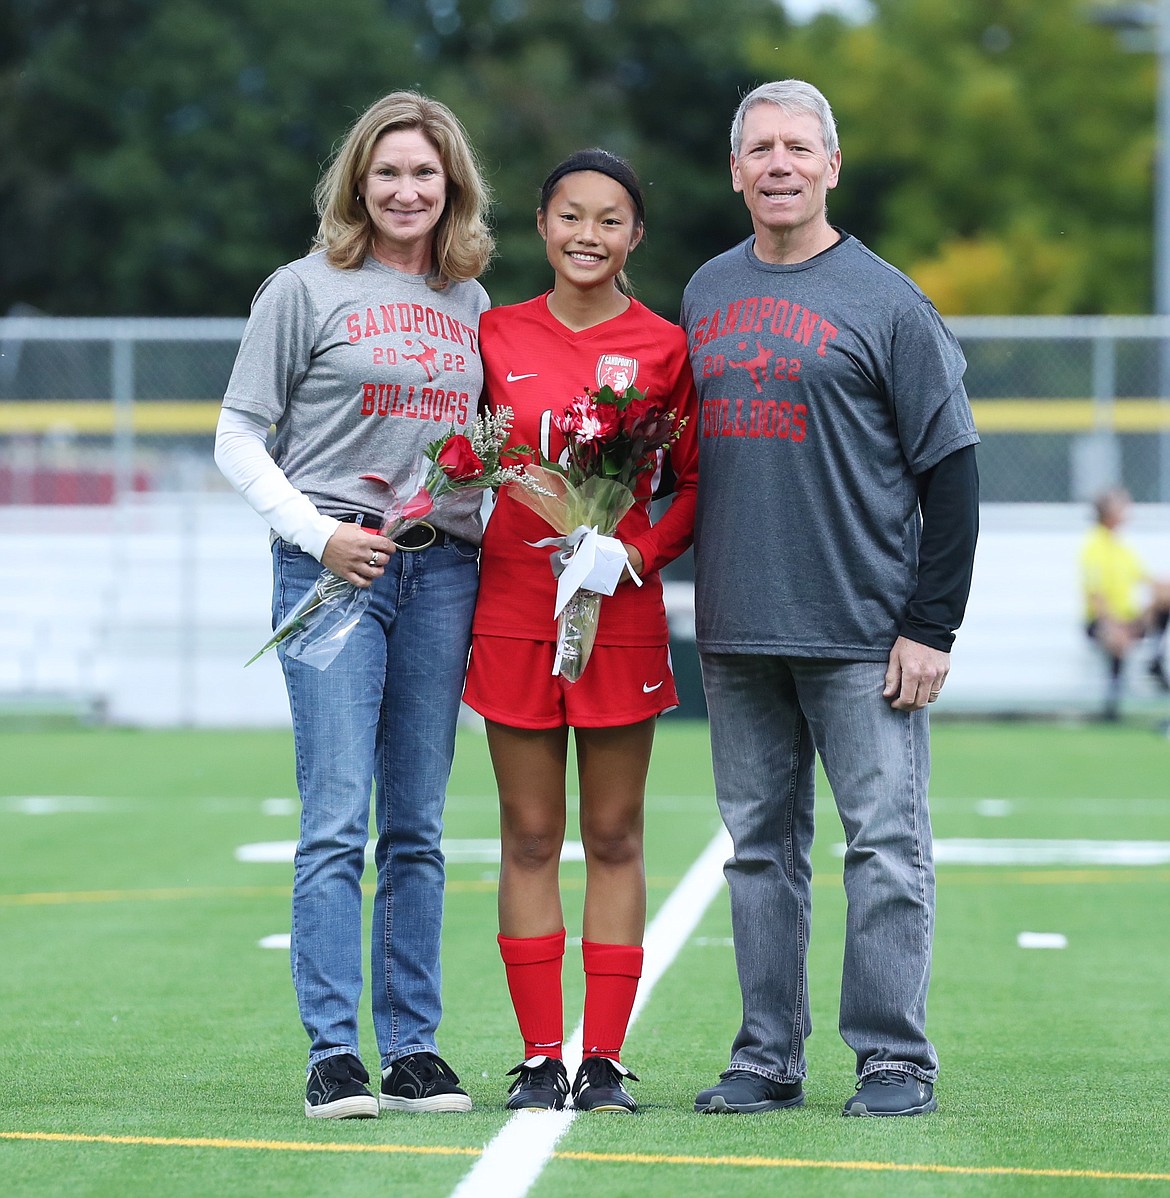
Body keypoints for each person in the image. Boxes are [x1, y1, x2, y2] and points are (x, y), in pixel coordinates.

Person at [682, 80, 980, 1118]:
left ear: (830, 166)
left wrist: (929, 626)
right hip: (737, 629)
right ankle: (767, 1056)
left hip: (863, 633)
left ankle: (893, 1058)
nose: (778, 164)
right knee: (760, 854)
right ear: (735, 169)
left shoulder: (890, 303)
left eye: (797, 148)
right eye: (759, 147)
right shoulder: (706, 292)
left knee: (885, 850)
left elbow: (953, 471)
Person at [214, 91, 493, 1118]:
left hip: (442, 572)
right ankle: (334, 1051)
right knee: (337, 816)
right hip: (335, 570)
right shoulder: (301, 289)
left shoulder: (473, 305)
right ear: (357, 183)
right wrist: (316, 534)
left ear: (452, 183)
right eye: (387, 173)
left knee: (416, 824)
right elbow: (238, 436)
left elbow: (483, 453)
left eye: (425, 172)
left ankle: (413, 1048)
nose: (407, 190)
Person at [463, 149, 699, 1114]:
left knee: (612, 832)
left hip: (621, 615)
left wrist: (630, 554)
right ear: (541, 225)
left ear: (635, 235)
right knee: (528, 833)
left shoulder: (665, 347)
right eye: (571, 217)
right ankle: (536, 1056)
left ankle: (601, 1058)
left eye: (610, 220)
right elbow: (464, 460)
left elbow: (691, 489)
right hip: (515, 609)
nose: (588, 236)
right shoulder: (492, 333)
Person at [1082, 487, 1170, 720]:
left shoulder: (1122, 548)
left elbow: (1147, 579)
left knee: (1166, 598)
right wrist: (1113, 625)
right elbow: (1096, 596)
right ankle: (1112, 705)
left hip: (1127, 618)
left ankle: (1156, 658)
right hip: (1102, 621)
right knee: (1116, 639)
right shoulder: (1094, 547)